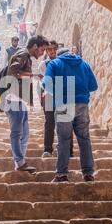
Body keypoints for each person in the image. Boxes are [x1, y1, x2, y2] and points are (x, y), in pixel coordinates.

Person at [43, 48, 98, 182]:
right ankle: (88, 173)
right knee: (84, 139)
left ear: (59, 55)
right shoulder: (84, 64)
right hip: (82, 104)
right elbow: (93, 86)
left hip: (63, 103)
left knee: (64, 140)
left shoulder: (54, 64)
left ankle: (62, 174)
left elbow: (47, 84)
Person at [4, 35, 50, 173]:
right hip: (14, 99)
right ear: (35, 46)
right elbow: (12, 71)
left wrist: (33, 75)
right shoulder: (23, 54)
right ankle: (19, 162)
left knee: (24, 133)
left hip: (19, 100)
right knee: (17, 133)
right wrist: (32, 75)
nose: (42, 53)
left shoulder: (25, 56)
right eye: (42, 49)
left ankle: (20, 162)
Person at [38, 42, 74, 158]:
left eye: (54, 49)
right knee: (49, 123)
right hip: (49, 95)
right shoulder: (43, 64)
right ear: (46, 51)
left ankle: (68, 150)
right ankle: (48, 149)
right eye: (49, 49)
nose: (52, 51)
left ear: (57, 49)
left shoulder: (65, 63)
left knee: (66, 122)